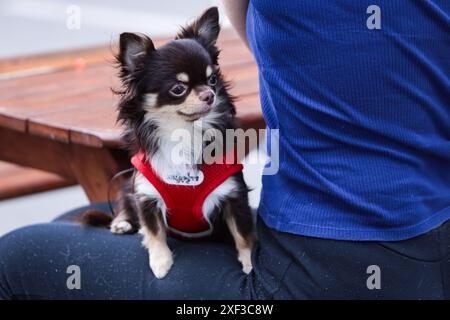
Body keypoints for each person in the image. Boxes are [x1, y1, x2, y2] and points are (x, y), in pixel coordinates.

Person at [1, 0, 449, 299]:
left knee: (15, 261)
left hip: (317, 274)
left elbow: (255, 35)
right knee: (88, 219)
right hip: (435, 241)